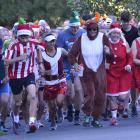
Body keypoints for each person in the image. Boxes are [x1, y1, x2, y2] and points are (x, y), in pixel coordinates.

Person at [68, 19, 112, 127]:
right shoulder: (81, 39)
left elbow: (112, 55)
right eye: (90, 29)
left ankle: (96, 119)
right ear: (86, 30)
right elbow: (71, 55)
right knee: (90, 94)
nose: (92, 31)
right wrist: (75, 64)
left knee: (100, 96)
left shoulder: (103, 37)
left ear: (97, 29)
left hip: (100, 72)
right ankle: (88, 115)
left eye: (95, 29)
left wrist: (108, 52)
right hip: (87, 72)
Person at [5, 24, 38, 134]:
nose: (25, 39)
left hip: (29, 74)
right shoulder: (13, 46)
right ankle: (15, 117)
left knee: (33, 96)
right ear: (18, 36)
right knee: (18, 102)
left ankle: (32, 122)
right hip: (15, 76)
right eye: (22, 37)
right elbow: (6, 61)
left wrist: (41, 64)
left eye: (26, 37)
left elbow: (44, 44)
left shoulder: (33, 43)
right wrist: (19, 58)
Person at [56, 11, 85, 124]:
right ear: (70, 26)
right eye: (73, 27)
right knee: (69, 92)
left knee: (78, 90)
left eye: (77, 27)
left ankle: (77, 113)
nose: (75, 29)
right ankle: (69, 108)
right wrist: (69, 54)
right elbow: (58, 49)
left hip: (78, 65)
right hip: (66, 65)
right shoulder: (62, 35)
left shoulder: (83, 33)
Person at [39, 33, 67, 130]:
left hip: (60, 79)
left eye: (53, 41)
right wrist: (44, 72)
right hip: (49, 82)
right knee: (51, 106)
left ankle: (60, 109)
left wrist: (73, 66)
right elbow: (40, 68)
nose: (52, 43)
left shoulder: (61, 51)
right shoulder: (42, 55)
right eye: (49, 42)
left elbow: (71, 57)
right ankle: (53, 121)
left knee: (59, 101)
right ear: (45, 43)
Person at [106, 23, 133, 125]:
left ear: (119, 34)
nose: (115, 35)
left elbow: (130, 57)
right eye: (113, 33)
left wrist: (129, 65)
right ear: (110, 34)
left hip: (123, 73)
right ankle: (114, 118)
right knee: (112, 96)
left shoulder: (124, 44)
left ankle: (121, 103)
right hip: (110, 73)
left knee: (122, 97)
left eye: (117, 33)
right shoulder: (106, 45)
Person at [121, 10, 139, 117]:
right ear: (121, 20)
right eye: (124, 21)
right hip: (121, 61)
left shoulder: (135, 31)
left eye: (127, 21)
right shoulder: (118, 30)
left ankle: (133, 104)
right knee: (125, 85)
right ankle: (124, 106)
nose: (125, 23)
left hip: (132, 61)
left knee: (133, 86)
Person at [0, 38, 10, 133]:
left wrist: (7, 76)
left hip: (3, 83)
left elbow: (7, 66)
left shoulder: (4, 57)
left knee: (5, 101)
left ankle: (2, 122)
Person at [131, 24, 140, 107]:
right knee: (134, 88)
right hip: (136, 69)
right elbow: (133, 59)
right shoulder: (135, 42)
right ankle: (133, 103)